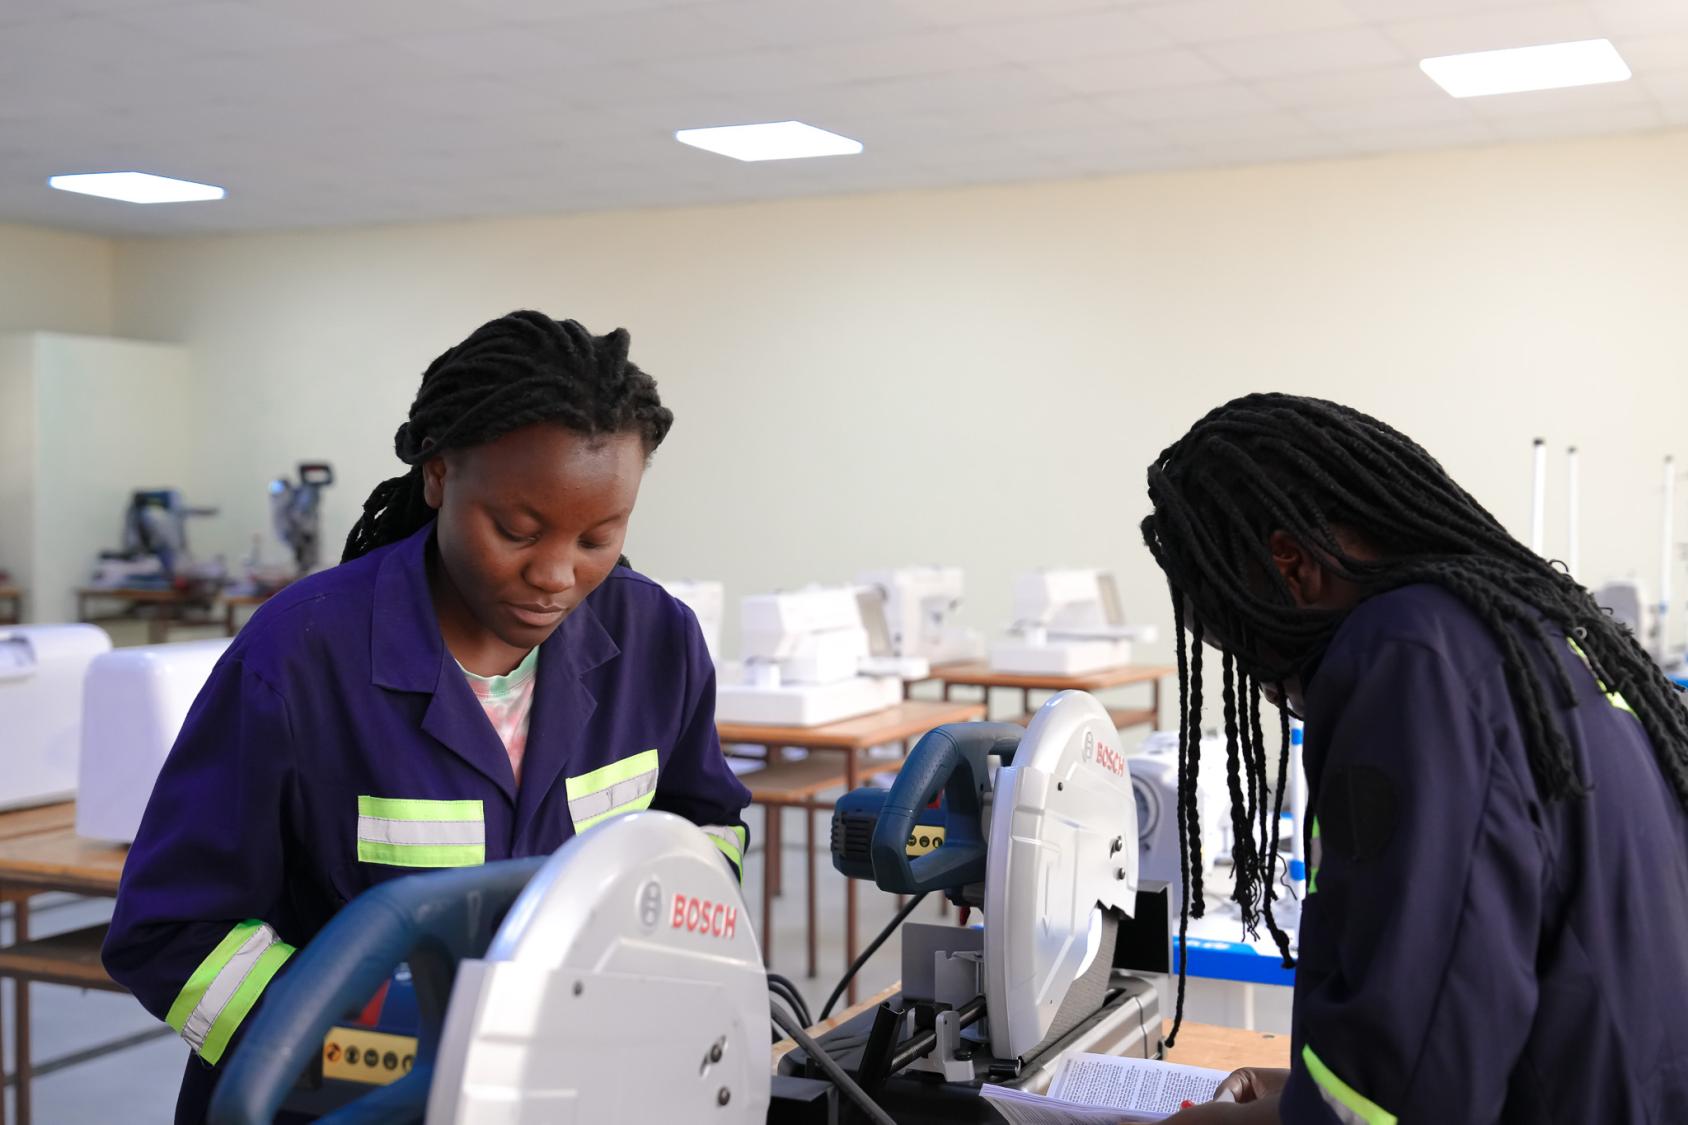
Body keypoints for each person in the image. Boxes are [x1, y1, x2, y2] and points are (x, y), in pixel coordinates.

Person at [103, 310, 751, 1122]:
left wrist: (658, 966)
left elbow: (705, 833)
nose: (555, 573)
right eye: (517, 530)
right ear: (440, 475)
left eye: (599, 535)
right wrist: (375, 1054)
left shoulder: (657, 640)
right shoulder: (302, 655)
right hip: (341, 1102)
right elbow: (172, 933)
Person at [1140, 394, 1688, 1124]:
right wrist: (1298, 1096)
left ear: (1291, 566)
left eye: (1245, 642)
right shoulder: (1528, 628)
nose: (1266, 685)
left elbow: (1416, 1078)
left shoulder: (1408, 659)